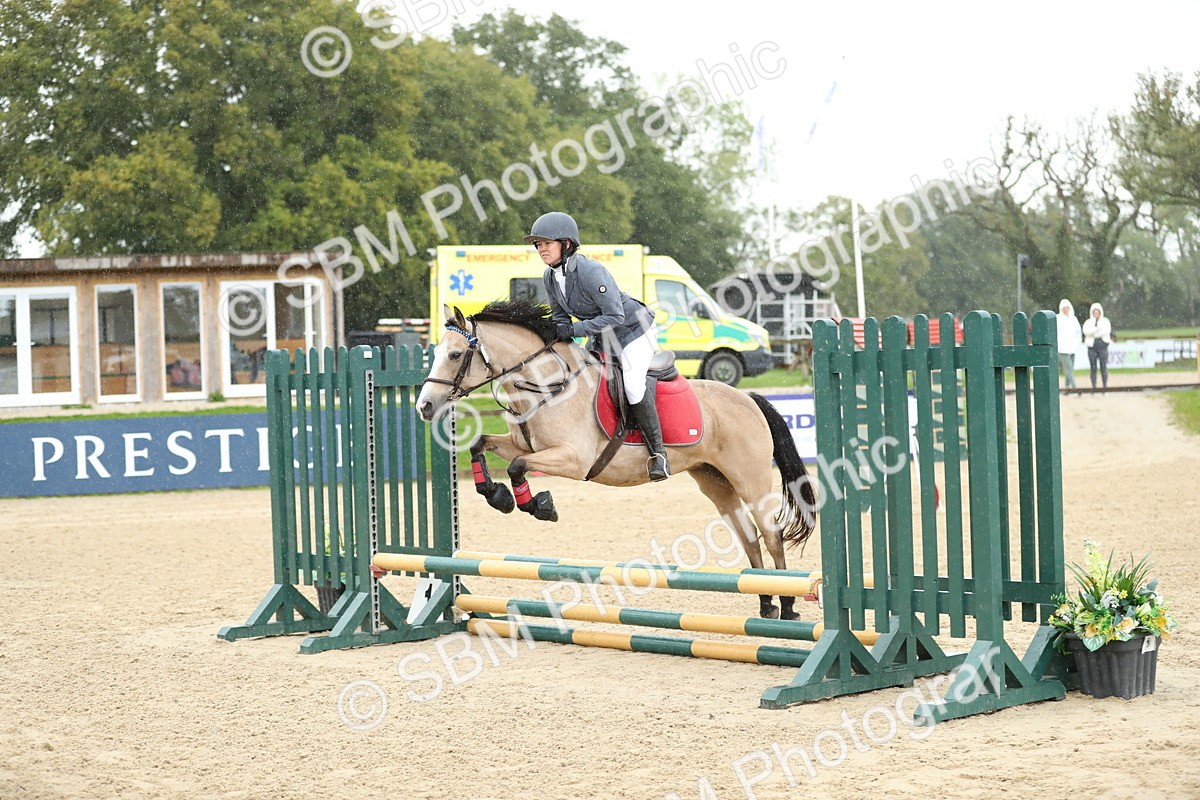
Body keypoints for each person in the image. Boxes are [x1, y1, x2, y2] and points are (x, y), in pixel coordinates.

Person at [523, 211, 669, 481]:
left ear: (566, 245)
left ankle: (658, 454)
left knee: (633, 384)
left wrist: (575, 329)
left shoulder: (591, 271)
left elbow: (616, 315)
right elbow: (559, 318)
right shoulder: (550, 277)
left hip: (635, 331)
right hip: (603, 335)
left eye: (546, 243)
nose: (540, 249)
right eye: (538, 245)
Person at [1082, 302, 1113, 389]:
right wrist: (1096, 330)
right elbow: (1086, 331)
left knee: (1103, 366)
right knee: (1093, 367)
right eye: (1094, 312)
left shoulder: (1105, 321)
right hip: (1092, 347)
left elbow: (1106, 331)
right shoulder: (1088, 322)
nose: (1096, 314)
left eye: (1097, 312)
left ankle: (1104, 385)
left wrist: (1093, 333)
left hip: (1102, 346)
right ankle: (1094, 386)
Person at [1056, 299, 1082, 390]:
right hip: (1062, 348)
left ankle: (1067, 387)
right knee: (1068, 368)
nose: (1065, 310)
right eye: (1064, 308)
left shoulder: (1074, 319)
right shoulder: (1057, 319)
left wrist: (1077, 343)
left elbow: (1078, 332)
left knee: (1070, 368)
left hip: (1072, 348)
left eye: (1067, 308)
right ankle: (1075, 387)